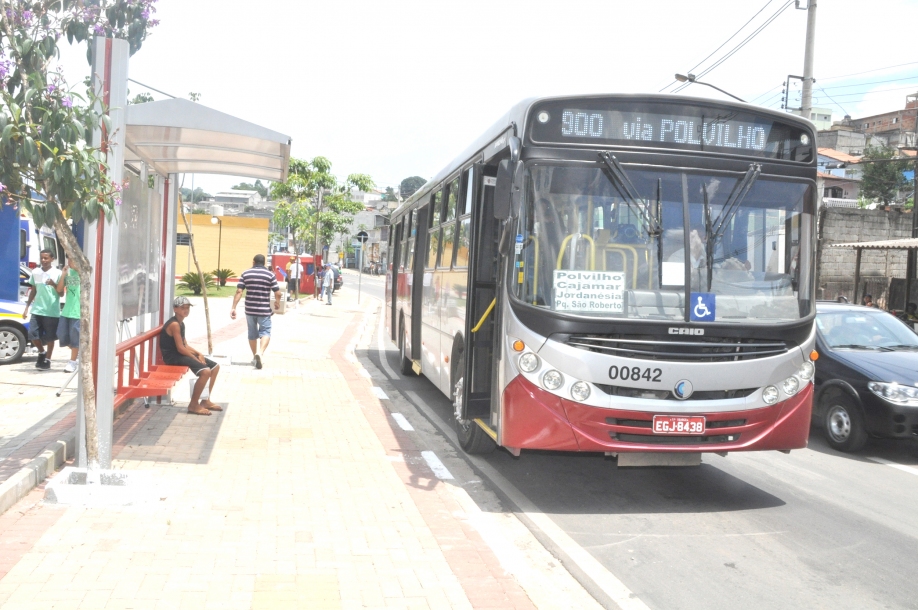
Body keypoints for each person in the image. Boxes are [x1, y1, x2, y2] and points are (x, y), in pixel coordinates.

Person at [161, 297, 221, 416]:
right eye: (183, 308)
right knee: (205, 371)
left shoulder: (181, 323)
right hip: (172, 357)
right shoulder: (174, 324)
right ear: (175, 309)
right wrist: (195, 358)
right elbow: (180, 348)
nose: (186, 310)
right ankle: (193, 405)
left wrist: (199, 354)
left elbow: (185, 345)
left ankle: (205, 400)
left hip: (180, 353)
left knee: (215, 367)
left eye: (187, 308)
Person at [231, 254, 281, 369]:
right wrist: (277, 302)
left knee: (252, 333)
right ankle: (261, 353)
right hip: (264, 310)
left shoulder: (246, 273)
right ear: (264, 263)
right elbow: (277, 293)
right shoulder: (270, 275)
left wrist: (233, 307)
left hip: (250, 309)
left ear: (253, 262)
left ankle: (255, 356)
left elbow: (239, 291)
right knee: (266, 332)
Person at [22, 249, 61, 370]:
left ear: (52, 259)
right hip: (37, 309)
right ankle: (41, 352)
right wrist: (27, 307)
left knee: (50, 337)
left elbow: (61, 293)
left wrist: (53, 284)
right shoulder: (35, 272)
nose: (43, 260)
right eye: (42, 258)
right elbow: (33, 290)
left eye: (46, 258)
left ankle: (48, 360)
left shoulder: (58, 273)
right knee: (33, 335)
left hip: (51, 310)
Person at [55, 261, 80, 373]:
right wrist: (63, 274)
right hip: (67, 310)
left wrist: (79, 269)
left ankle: (72, 361)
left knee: (75, 338)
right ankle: (79, 352)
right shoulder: (69, 272)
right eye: (69, 259)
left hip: (78, 311)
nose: (70, 261)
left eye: (73, 259)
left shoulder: (84, 272)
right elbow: (59, 289)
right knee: (61, 335)